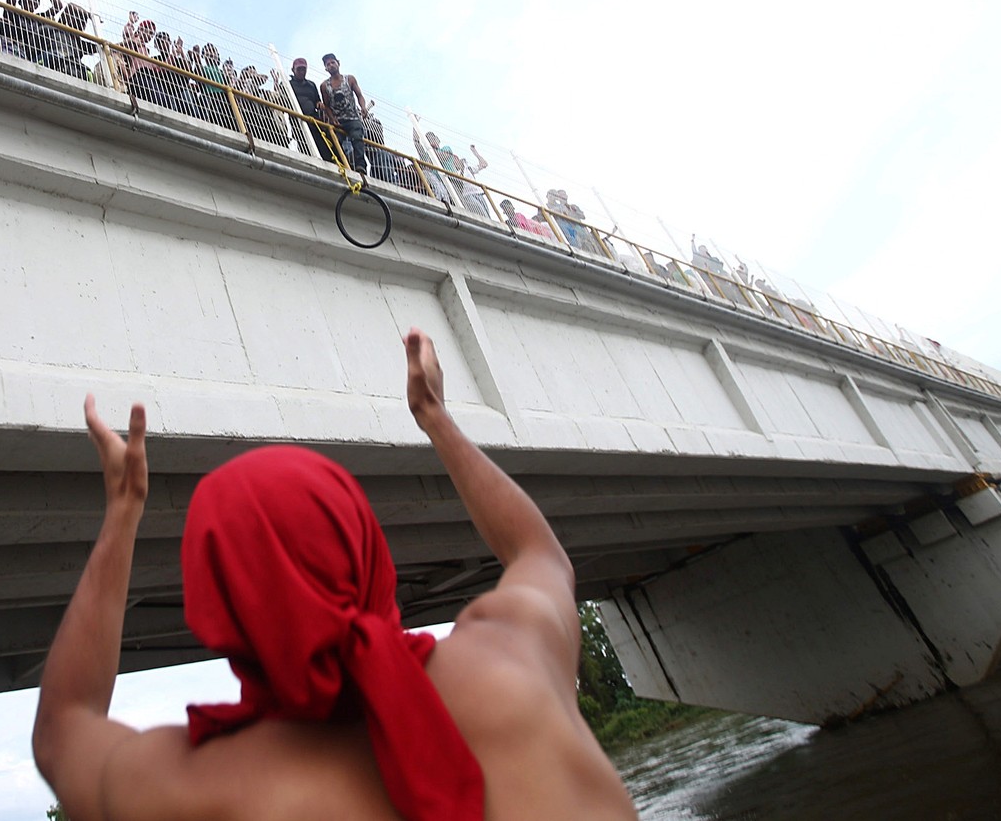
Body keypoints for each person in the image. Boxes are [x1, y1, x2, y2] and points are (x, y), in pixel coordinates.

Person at [32, 329, 638, 821]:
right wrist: (435, 417)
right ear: (367, 547)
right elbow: (541, 554)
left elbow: (61, 729)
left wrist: (123, 511)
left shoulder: (202, 786)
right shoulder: (509, 660)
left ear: (218, 609)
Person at [319, 52, 368, 175]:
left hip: (352, 118)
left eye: (332, 62)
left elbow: (359, 95)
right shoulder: (325, 86)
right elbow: (327, 105)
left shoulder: (349, 79)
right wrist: (332, 118)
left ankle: (361, 166)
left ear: (338, 63)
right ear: (325, 68)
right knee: (334, 141)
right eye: (328, 64)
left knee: (357, 139)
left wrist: (363, 107)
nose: (331, 65)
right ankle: (342, 164)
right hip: (338, 121)